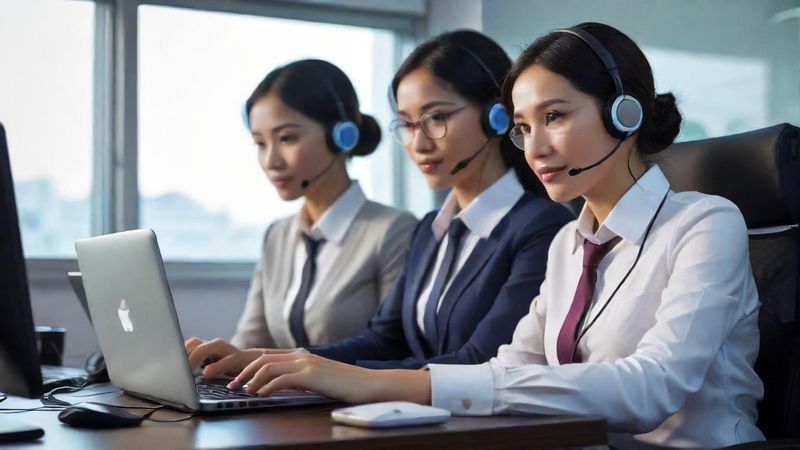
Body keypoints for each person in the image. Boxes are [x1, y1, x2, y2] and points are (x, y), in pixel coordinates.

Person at [221, 23, 765, 449]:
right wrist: (318, 374)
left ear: (625, 113)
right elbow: (509, 369)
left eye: (554, 116)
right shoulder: (568, 245)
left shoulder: (705, 223)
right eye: (524, 128)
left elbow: (652, 389)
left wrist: (384, 383)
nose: (534, 149)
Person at [187, 30, 572, 376]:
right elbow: (383, 340)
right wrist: (268, 361)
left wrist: (331, 378)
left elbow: (481, 361)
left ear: (497, 117)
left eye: (436, 117)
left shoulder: (541, 227)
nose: (418, 143)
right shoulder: (430, 230)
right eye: (406, 123)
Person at [185, 59, 417, 361]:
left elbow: (390, 348)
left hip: (357, 406)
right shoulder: (278, 236)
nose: (271, 161)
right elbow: (250, 341)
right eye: (260, 143)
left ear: (342, 136)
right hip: (286, 405)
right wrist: (209, 361)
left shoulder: (394, 230)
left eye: (286, 138)